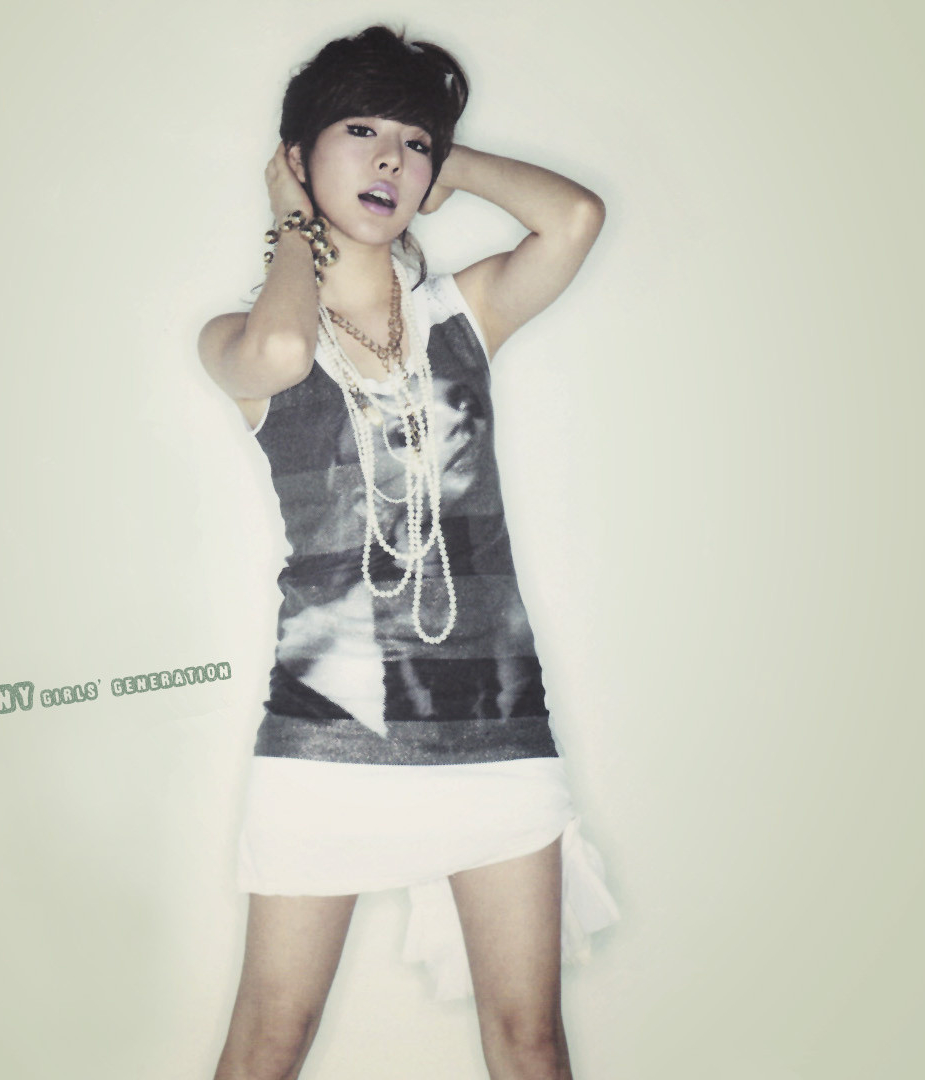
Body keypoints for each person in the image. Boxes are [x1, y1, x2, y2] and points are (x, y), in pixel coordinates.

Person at [196, 25, 619, 1080]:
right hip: (327, 737)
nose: (390, 157)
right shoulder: (239, 339)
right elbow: (282, 350)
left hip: (497, 731)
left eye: (413, 141)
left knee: (529, 1039)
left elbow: (574, 218)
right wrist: (293, 222)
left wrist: (447, 163)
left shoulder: (459, 316)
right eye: (360, 130)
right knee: (271, 1039)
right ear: (299, 157)